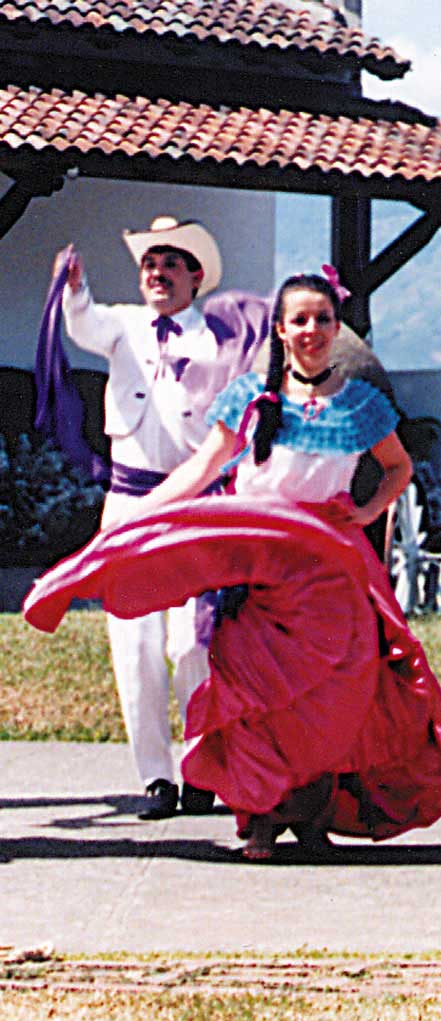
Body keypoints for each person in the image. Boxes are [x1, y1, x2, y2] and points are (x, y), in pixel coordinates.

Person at [29, 274, 441, 860]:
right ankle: (259, 817)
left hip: (332, 568)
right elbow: (202, 470)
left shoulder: (361, 404)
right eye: (300, 321)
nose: (311, 331)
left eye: (322, 320)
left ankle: (311, 817)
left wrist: (363, 513)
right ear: (280, 330)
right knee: (254, 694)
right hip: (262, 566)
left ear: (337, 330)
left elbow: (398, 468)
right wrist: (133, 518)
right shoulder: (250, 398)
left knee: (331, 698)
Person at [52, 216, 267, 821]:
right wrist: (74, 288)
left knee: (191, 641)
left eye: (171, 265)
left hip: (192, 503)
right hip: (129, 502)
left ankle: (203, 764)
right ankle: (155, 776)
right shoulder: (122, 323)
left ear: (194, 276)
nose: (158, 274)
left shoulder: (219, 336)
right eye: (150, 265)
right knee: (136, 643)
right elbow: (83, 325)